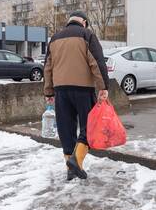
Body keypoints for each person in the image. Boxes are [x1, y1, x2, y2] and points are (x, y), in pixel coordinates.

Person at [43, 10, 109, 180]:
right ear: (84, 22)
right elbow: (97, 62)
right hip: (83, 89)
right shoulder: (87, 35)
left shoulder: (55, 38)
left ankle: (70, 169)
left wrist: (49, 91)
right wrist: (103, 87)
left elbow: (47, 67)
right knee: (90, 127)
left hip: (61, 91)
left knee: (66, 129)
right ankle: (76, 161)